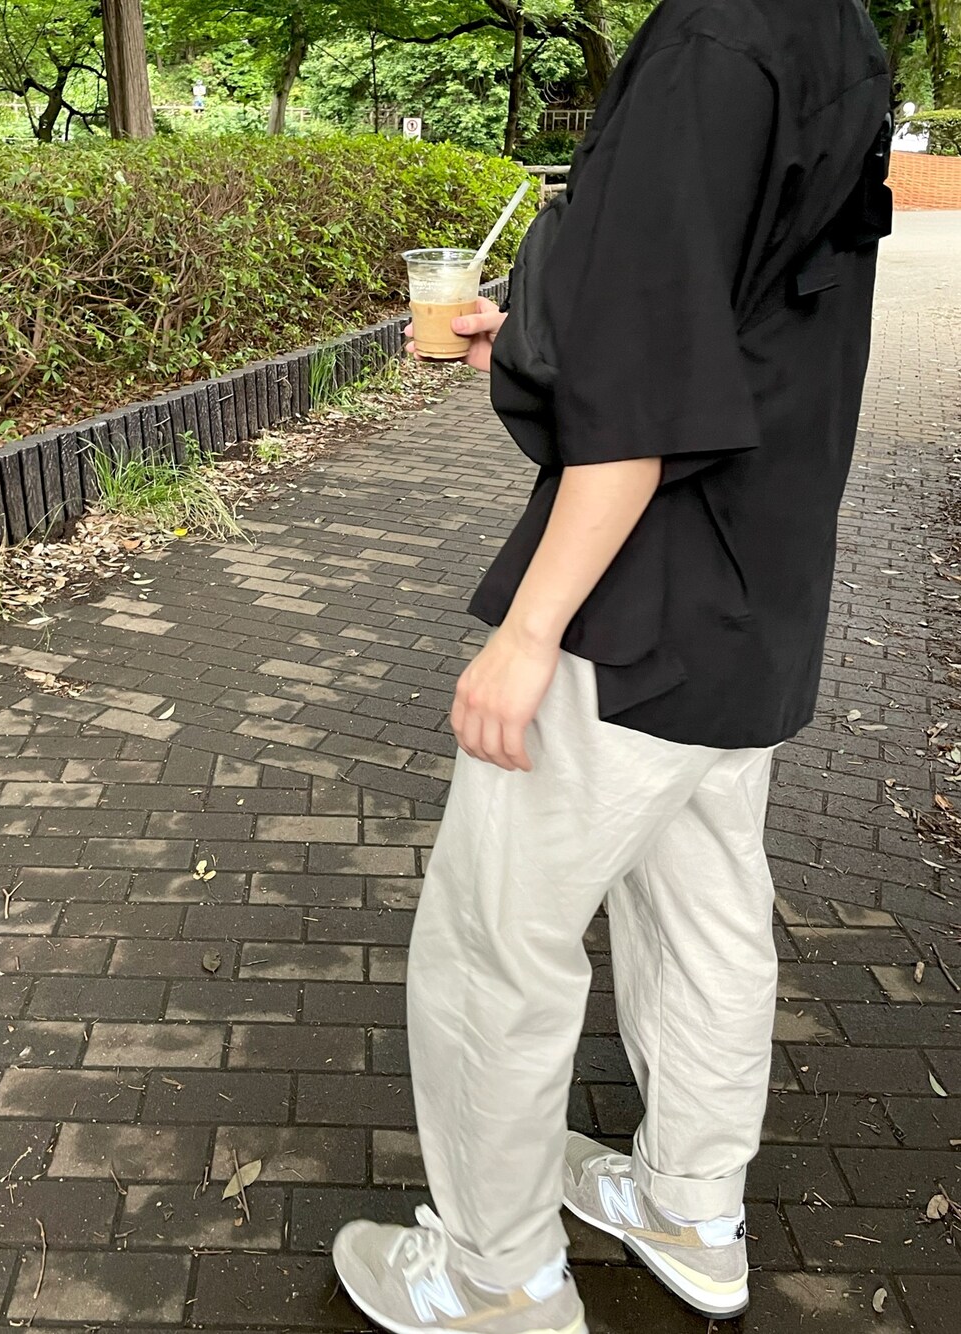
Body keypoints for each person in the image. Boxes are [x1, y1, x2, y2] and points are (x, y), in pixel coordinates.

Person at [334, 1, 892, 1331]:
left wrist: (529, 630)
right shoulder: (832, 28)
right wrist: (535, 336)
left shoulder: (708, 42)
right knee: (705, 908)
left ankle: (494, 1277)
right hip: (760, 583)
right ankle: (691, 1205)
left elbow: (647, 388)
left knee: (495, 941)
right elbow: (725, 300)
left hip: (643, 597)